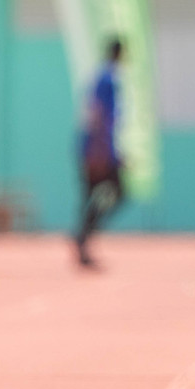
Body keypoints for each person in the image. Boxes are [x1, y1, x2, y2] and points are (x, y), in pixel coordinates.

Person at [74, 38, 125, 269]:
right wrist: (101, 152)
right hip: (96, 149)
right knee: (117, 192)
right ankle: (84, 237)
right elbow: (98, 114)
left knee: (94, 197)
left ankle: (83, 237)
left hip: (94, 147)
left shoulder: (102, 77)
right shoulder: (108, 79)